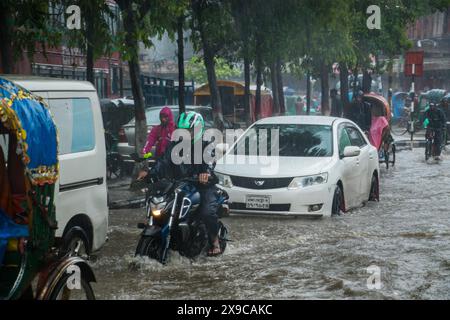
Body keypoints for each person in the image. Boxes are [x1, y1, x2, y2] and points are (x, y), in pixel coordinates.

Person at [138, 111, 222, 256]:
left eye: (188, 130)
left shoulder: (206, 144)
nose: (185, 133)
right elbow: (163, 162)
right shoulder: (174, 145)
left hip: (203, 186)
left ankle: (215, 242)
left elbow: (209, 162)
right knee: (158, 199)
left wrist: (205, 174)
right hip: (179, 185)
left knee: (207, 212)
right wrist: (150, 174)